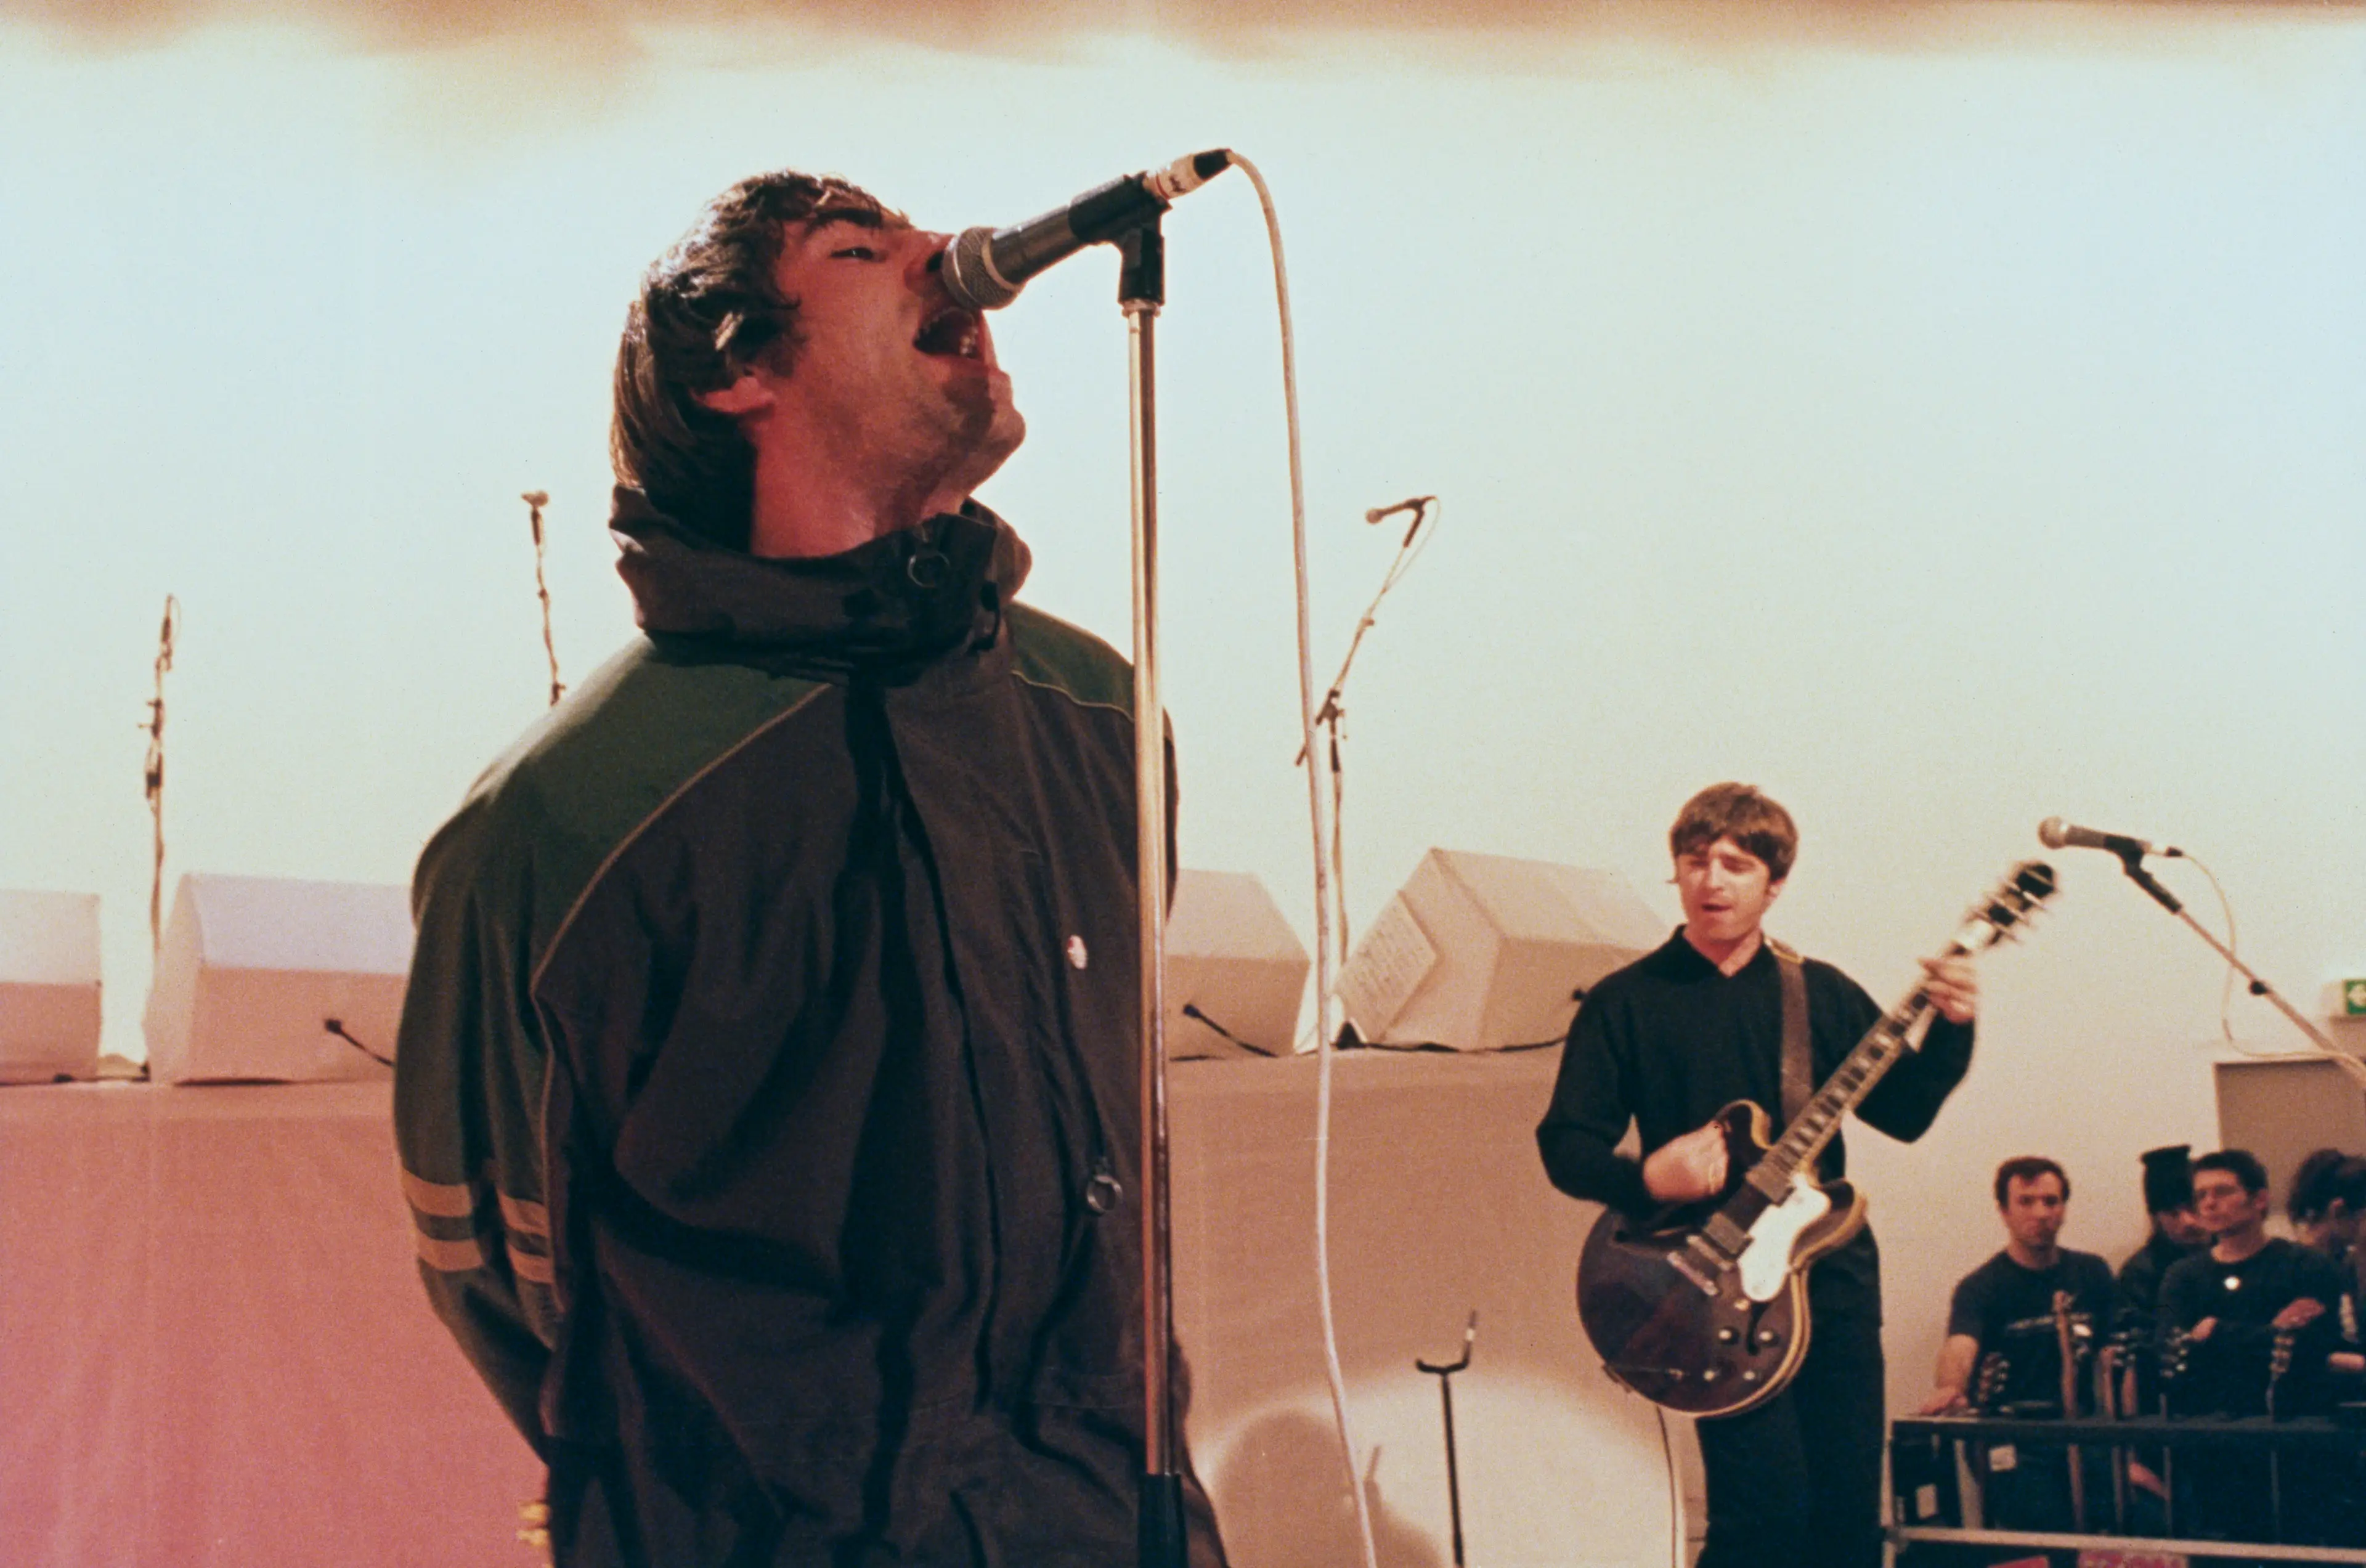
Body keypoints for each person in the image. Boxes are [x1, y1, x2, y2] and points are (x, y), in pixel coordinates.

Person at [392, 170, 1225, 1567]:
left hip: (1106, 1520)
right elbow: (501, 1267)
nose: (949, 262)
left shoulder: (1095, 713)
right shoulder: (572, 811)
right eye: (863, 248)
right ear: (737, 371)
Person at [1537, 782, 1979, 1568]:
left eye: (1736, 864)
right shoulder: (1624, 1001)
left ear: (1774, 884)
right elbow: (1566, 1145)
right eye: (1695, 860)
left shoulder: (1821, 992)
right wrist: (1650, 1178)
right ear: (1676, 872)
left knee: (1846, 1526)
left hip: (1830, 1280)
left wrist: (1952, 1029)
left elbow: (1905, 1113)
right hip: (1708, 1294)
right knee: (1761, 1523)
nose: (1712, 879)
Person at [2160, 1149, 2351, 1544]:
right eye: (2202, 1196)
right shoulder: (2184, 1277)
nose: (2210, 1203)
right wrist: (2271, 1333)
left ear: (2259, 1199)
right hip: (2215, 1448)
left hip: (2297, 1442)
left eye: (2223, 1191)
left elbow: (2310, 1351)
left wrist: (2218, 1332)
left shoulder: (2305, 1267)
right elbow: (2174, 1351)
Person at [1919, 1158, 2114, 1538]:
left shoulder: (2092, 1273)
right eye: (2026, 1202)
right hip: (2010, 1442)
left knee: (2144, 1518)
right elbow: (1961, 1345)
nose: (2041, 1213)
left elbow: (2114, 1355)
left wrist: (2129, 1452)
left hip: (2083, 1434)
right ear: (2004, 1211)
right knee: (2048, 1529)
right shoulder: (1981, 1287)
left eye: (2051, 1201)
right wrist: (1950, 1386)